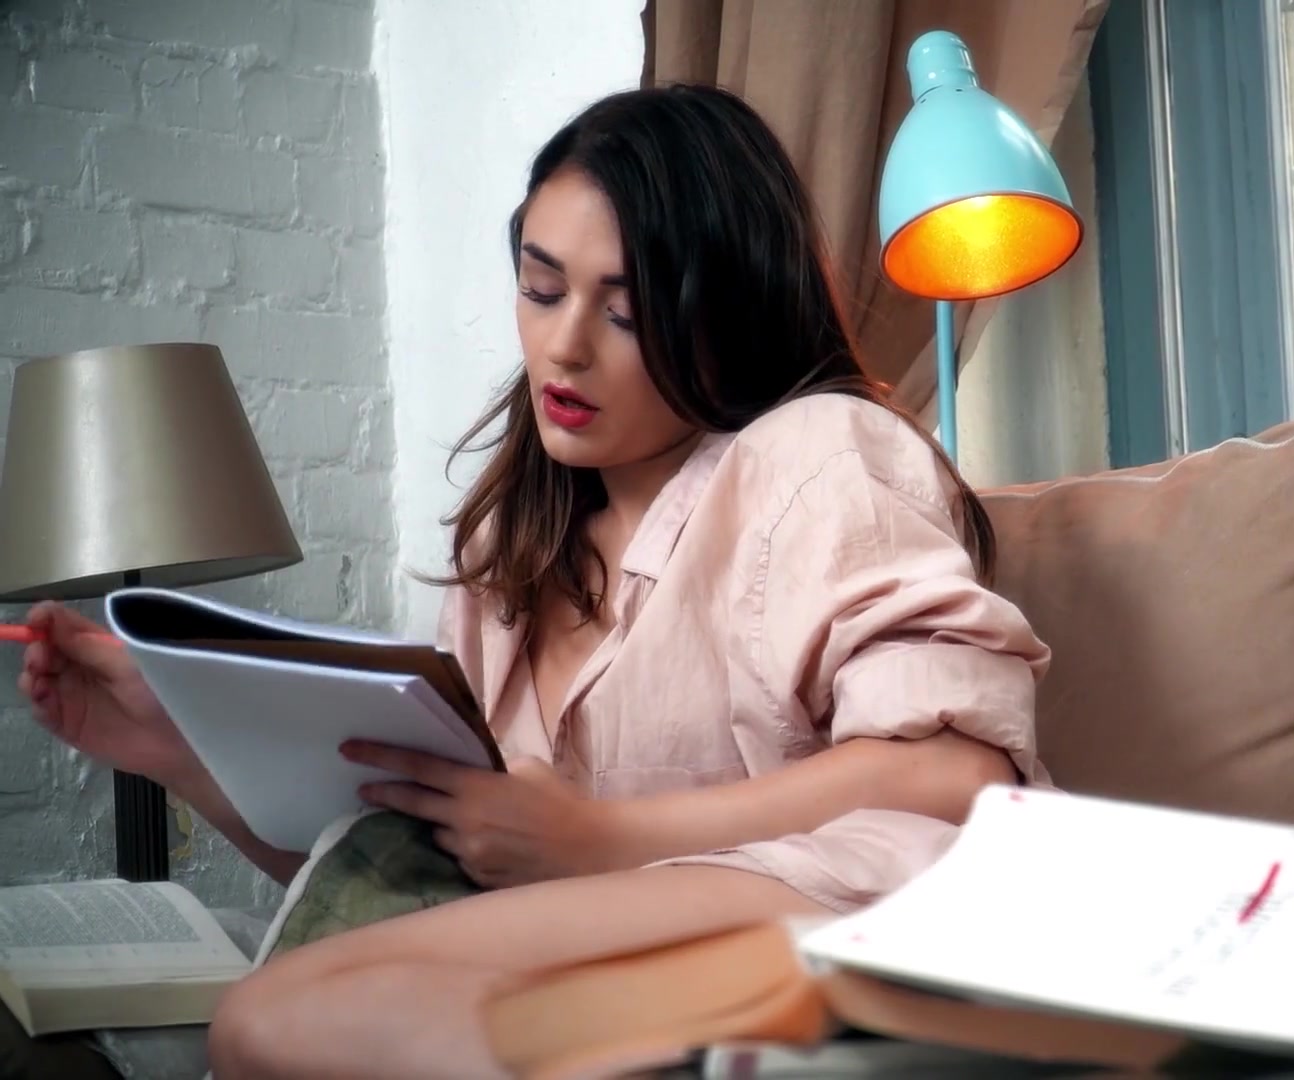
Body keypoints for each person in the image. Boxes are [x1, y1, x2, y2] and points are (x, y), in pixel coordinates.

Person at [16, 83, 1051, 1079]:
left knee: (272, 1017)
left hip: (875, 912)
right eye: (541, 287)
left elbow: (955, 772)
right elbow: (430, 881)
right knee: (305, 1013)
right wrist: (173, 749)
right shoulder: (508, 558)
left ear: (730, 314)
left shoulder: (816, 452)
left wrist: (600, 839)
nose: (563, 345)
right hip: (656, 963)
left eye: (626, 313)